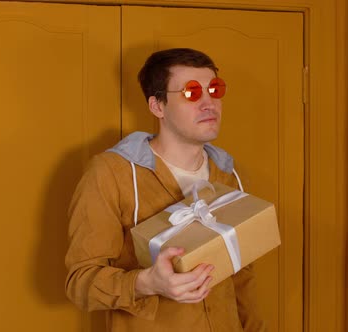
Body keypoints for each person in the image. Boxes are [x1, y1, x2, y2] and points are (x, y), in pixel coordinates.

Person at [65, 48, 264, 331]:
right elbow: (81, 283)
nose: (209, 103)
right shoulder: (111, 174)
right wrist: (147, 282)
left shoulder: (230, 174)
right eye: (192, 93)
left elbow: (242, 275)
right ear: (157, 106)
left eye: (214, 89)